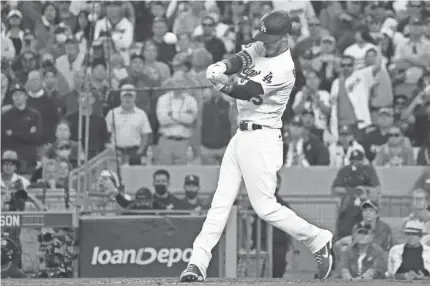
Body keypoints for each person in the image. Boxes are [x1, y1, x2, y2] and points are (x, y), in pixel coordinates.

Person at [180, 11, 333, 283]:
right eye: (264, 37)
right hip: (241, 135)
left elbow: (248, 90)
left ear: (285, 37)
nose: (266, 43)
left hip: (262, 138)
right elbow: (243, 58)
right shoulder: (264, 44)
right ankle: (197, 263)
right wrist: (223, 67)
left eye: (272, 39)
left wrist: (220, 83)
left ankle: (317, 238)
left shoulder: (285, 68)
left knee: (265, 207)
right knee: (220, 203)